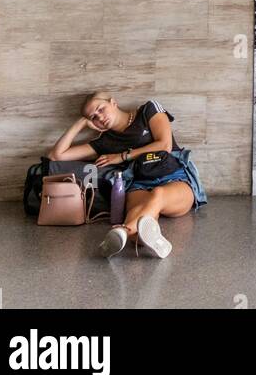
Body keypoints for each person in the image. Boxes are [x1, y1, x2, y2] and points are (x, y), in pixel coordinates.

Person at [49, 91, 206, 259]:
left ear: (112, 102)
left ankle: (122, 231)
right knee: (140, 221)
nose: (99, 118)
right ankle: (144, 238)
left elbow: (164, 145)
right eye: (93, 117)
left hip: (174, 176)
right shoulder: (105, 141)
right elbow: (56, 156)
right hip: (138, 185)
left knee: (157, 195)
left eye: (100, 109)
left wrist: (122, 156)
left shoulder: (148, 110)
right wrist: (80, 123)